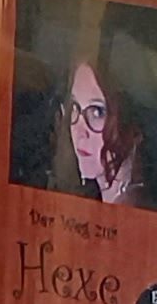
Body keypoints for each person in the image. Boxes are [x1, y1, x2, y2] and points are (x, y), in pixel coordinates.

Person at [62, 57, 144, 205]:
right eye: (75, 107)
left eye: (97, 112)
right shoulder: (98, 195)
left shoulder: (132, 209)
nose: (80, 133)